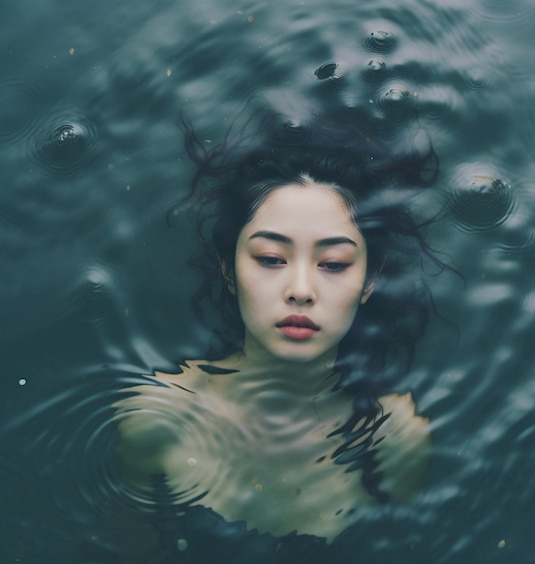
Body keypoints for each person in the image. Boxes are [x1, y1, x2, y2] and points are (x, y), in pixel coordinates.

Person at [114, 109, 442, 555]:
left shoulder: (394, 437)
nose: (301, 290)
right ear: (228, 270)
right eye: (271, 258)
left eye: (333, 264)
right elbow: (133, 547)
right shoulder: (158, 419)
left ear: (369, 282)